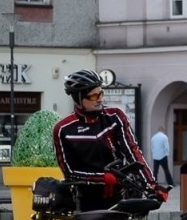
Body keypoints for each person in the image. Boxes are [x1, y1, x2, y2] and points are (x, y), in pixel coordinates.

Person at [53, 71, 164, 210]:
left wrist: (151, 184)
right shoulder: (63, 129)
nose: (100, 99)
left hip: (120, 191)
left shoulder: (115, 116)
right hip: (87, 197)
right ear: (78, 99)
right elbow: (69, 172)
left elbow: (132, 152)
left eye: (101, 93)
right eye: (94, 96)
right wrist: (102, 178)